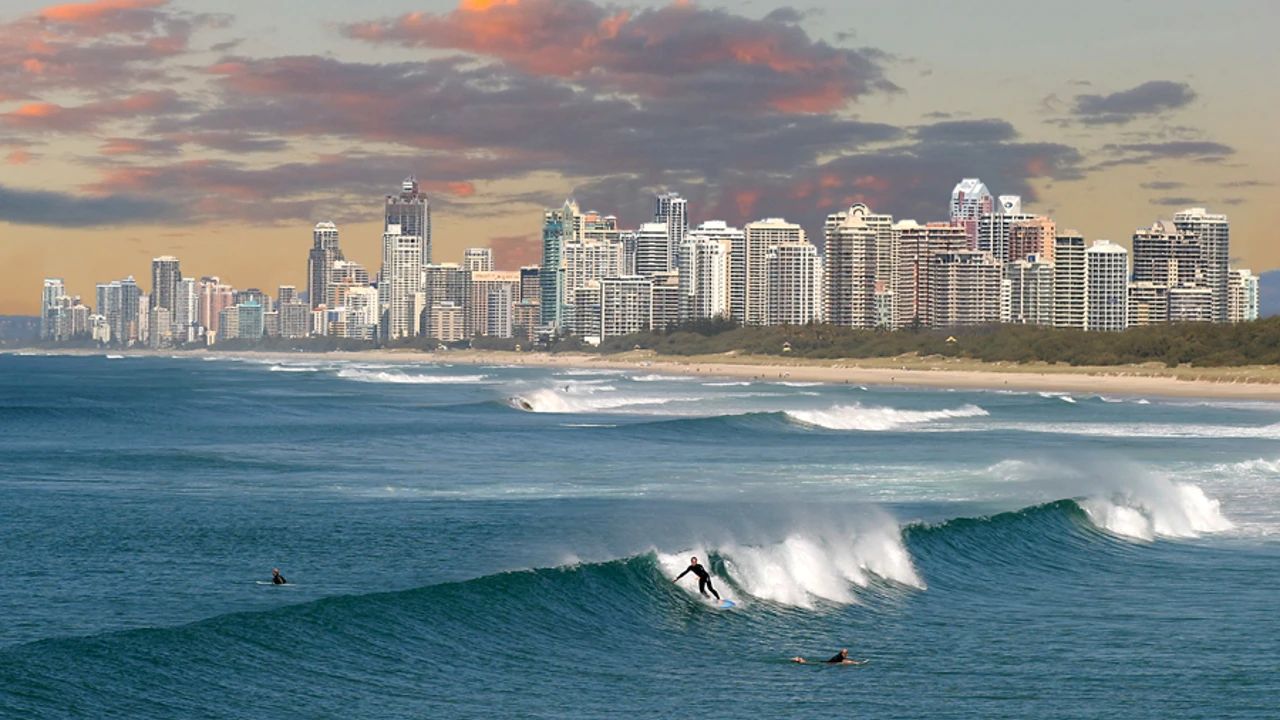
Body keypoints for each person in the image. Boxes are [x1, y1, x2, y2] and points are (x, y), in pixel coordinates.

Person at [791, 649, 864, 665]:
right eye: (846, 653)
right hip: (827, 663)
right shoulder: (840, 656)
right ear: (843, 653)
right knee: (809, 663)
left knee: (810, 662)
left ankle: (799, 659)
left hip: (827, 662)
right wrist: (857, 663)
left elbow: (846, 660)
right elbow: (846, 661)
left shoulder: (840, 656)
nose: (847, 654)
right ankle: (799, 660)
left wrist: (855, 662)